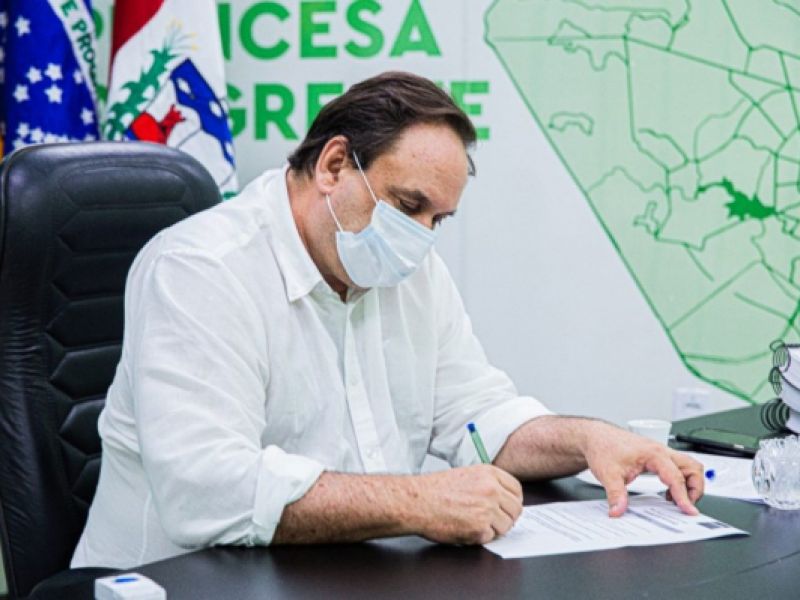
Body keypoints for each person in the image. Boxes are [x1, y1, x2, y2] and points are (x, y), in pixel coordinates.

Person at [72, 71, 703, 568]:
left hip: (338, 574)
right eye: (408, 205)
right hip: (173, 581)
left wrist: (589, 440)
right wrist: (419, 501)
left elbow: (477, 415)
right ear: (334, 166)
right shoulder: (201, 269)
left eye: (438, 219)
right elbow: (209, 491)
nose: (421, 237)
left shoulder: (408, 269)